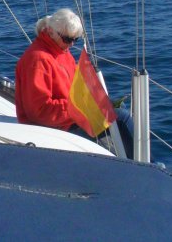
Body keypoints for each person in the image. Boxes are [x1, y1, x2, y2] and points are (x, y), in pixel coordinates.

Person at [15, 8, 133, 157]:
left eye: (75, 40)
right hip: (53, 128)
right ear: (51, 31)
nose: (71, 44)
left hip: (68, 119)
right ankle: (149, 167)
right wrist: (80, 108)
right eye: (67, 39)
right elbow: (38, 112)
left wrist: (93, 101)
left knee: (119, 108)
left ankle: (136, 162)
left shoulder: (61, 51)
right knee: (121, 118)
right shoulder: (37, 60)